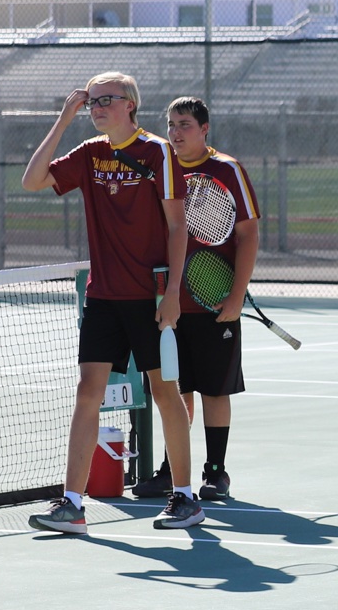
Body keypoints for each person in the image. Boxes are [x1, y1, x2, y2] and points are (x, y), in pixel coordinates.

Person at [20, 73, 198, 534]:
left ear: (130, 105)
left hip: (151, 297)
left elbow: (177, 226)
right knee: (87, 394)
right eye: (91, 102)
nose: (96, 108)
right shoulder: (89, 153)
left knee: (165, 392)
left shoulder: (157, 152)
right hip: (102, 296)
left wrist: (173, 293)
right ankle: (72, 505)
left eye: (105, 100)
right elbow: (32, 180)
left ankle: (185, 496)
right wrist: (64, 119)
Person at [132, 97, 261, 504]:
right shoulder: (160, 169)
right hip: (165, 303)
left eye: (184, 124)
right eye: (171, 124)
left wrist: (236, 296)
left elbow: (248, 235)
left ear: (205, 129)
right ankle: (173, 471)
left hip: (212, 301)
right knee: (173, 388)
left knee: (214, 390)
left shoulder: (227, 169)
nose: (175, 132)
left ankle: (216, 472)